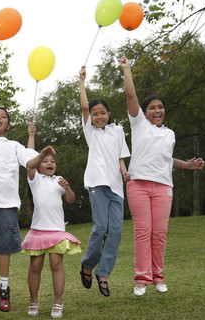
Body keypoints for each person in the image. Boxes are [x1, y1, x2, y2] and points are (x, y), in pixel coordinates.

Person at [0, 75, 56, 313]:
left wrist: (42, 153)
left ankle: (3, 288)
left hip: (6, 206)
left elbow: (31, 162)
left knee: (4, 247)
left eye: (3, 117)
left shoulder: (14, 145)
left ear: (8, 126)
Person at [121, 55, 205, 296]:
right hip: (138, 185)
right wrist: (127, 70)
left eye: (160, 107)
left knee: (159, 233)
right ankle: (141, 279)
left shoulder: (170, 134)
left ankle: (158, 277)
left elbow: (166, 160)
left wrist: (188, 166)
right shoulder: (139, 125)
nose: (157, 110)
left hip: (163, 187)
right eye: (152, 108)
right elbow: (130, 96)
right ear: (144, 112)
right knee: (143, 231)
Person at [78, 66, 131, 297]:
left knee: (116, 231)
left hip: (116, 188)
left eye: (103, 113)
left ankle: (104, 272)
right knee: (101, 227)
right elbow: (83, 107)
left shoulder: (118, 130)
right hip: (97, 184)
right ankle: (88, 264)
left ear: (109, 114)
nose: (99, 117)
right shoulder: (91, 132)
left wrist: (125, 172)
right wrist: (81, 82)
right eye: (95, 113)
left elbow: (120, 155)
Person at [22, 123, 81, 319]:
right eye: (45, 160)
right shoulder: (34, 178)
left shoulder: (59, 180)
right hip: (38, 231)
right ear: (38, 164)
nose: (50, 163)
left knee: (56, 265)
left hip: (56, 231)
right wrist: (32, 135)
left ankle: (58, 302)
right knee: (35, 267)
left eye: (52, 161)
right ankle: (33, 301)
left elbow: (71, 200)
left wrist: (68, 187)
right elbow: (29, 159)